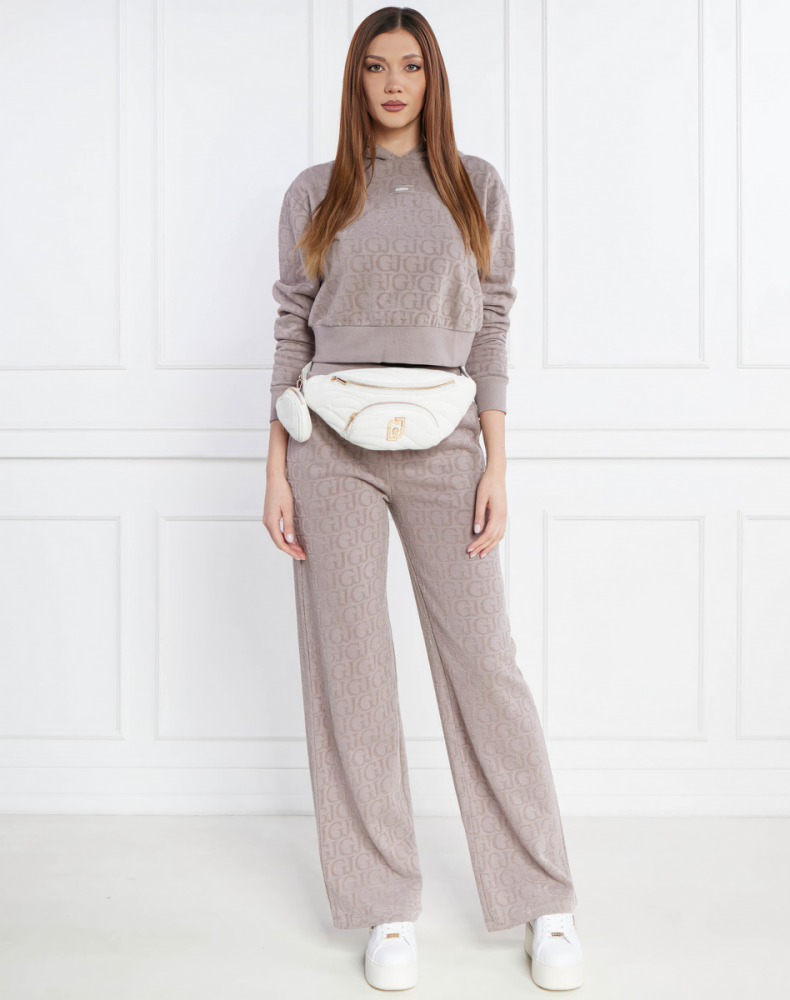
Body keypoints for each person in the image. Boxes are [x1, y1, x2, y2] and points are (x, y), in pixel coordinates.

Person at [262, 6, 584, 992]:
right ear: (355, 81)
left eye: (410, 65)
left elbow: (492, 324)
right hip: (329, 448)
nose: (394, 82)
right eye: (375, 66)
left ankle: (543, 899)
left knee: (486, 665)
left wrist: (496, 462)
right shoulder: (315, 191)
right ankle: (384, 907)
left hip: (446, 442)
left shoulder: (474, 184)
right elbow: (291, 328)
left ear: (432, 78)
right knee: (353, 671)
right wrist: (274, 468)